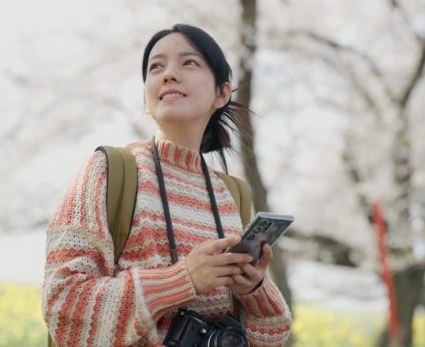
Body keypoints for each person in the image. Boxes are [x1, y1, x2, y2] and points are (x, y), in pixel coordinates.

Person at [42, 24, 292, 347]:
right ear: (146, 98)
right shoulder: (109, 171)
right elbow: (64, 304)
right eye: (156, 67)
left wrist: (254, 290)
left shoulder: (233, 196)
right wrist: (183, 279)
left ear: (222, 93)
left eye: (188, 63)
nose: (169, 74)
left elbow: (272, 335)